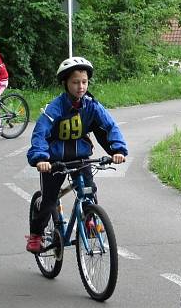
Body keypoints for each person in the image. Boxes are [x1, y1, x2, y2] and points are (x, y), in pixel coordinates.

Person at [25, 56, 128, 253]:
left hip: (80, 158)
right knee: (48, 201)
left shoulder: (91, 105)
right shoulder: (55, 107)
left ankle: (89, 219)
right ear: (65, 83)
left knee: (89, 191)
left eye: (84, 82)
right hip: (54, 161)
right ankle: (36, 235)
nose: (80, 86)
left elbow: (110, 126)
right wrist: (40, 158)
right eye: (75, 82)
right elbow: (40, 132)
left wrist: (118, 150)